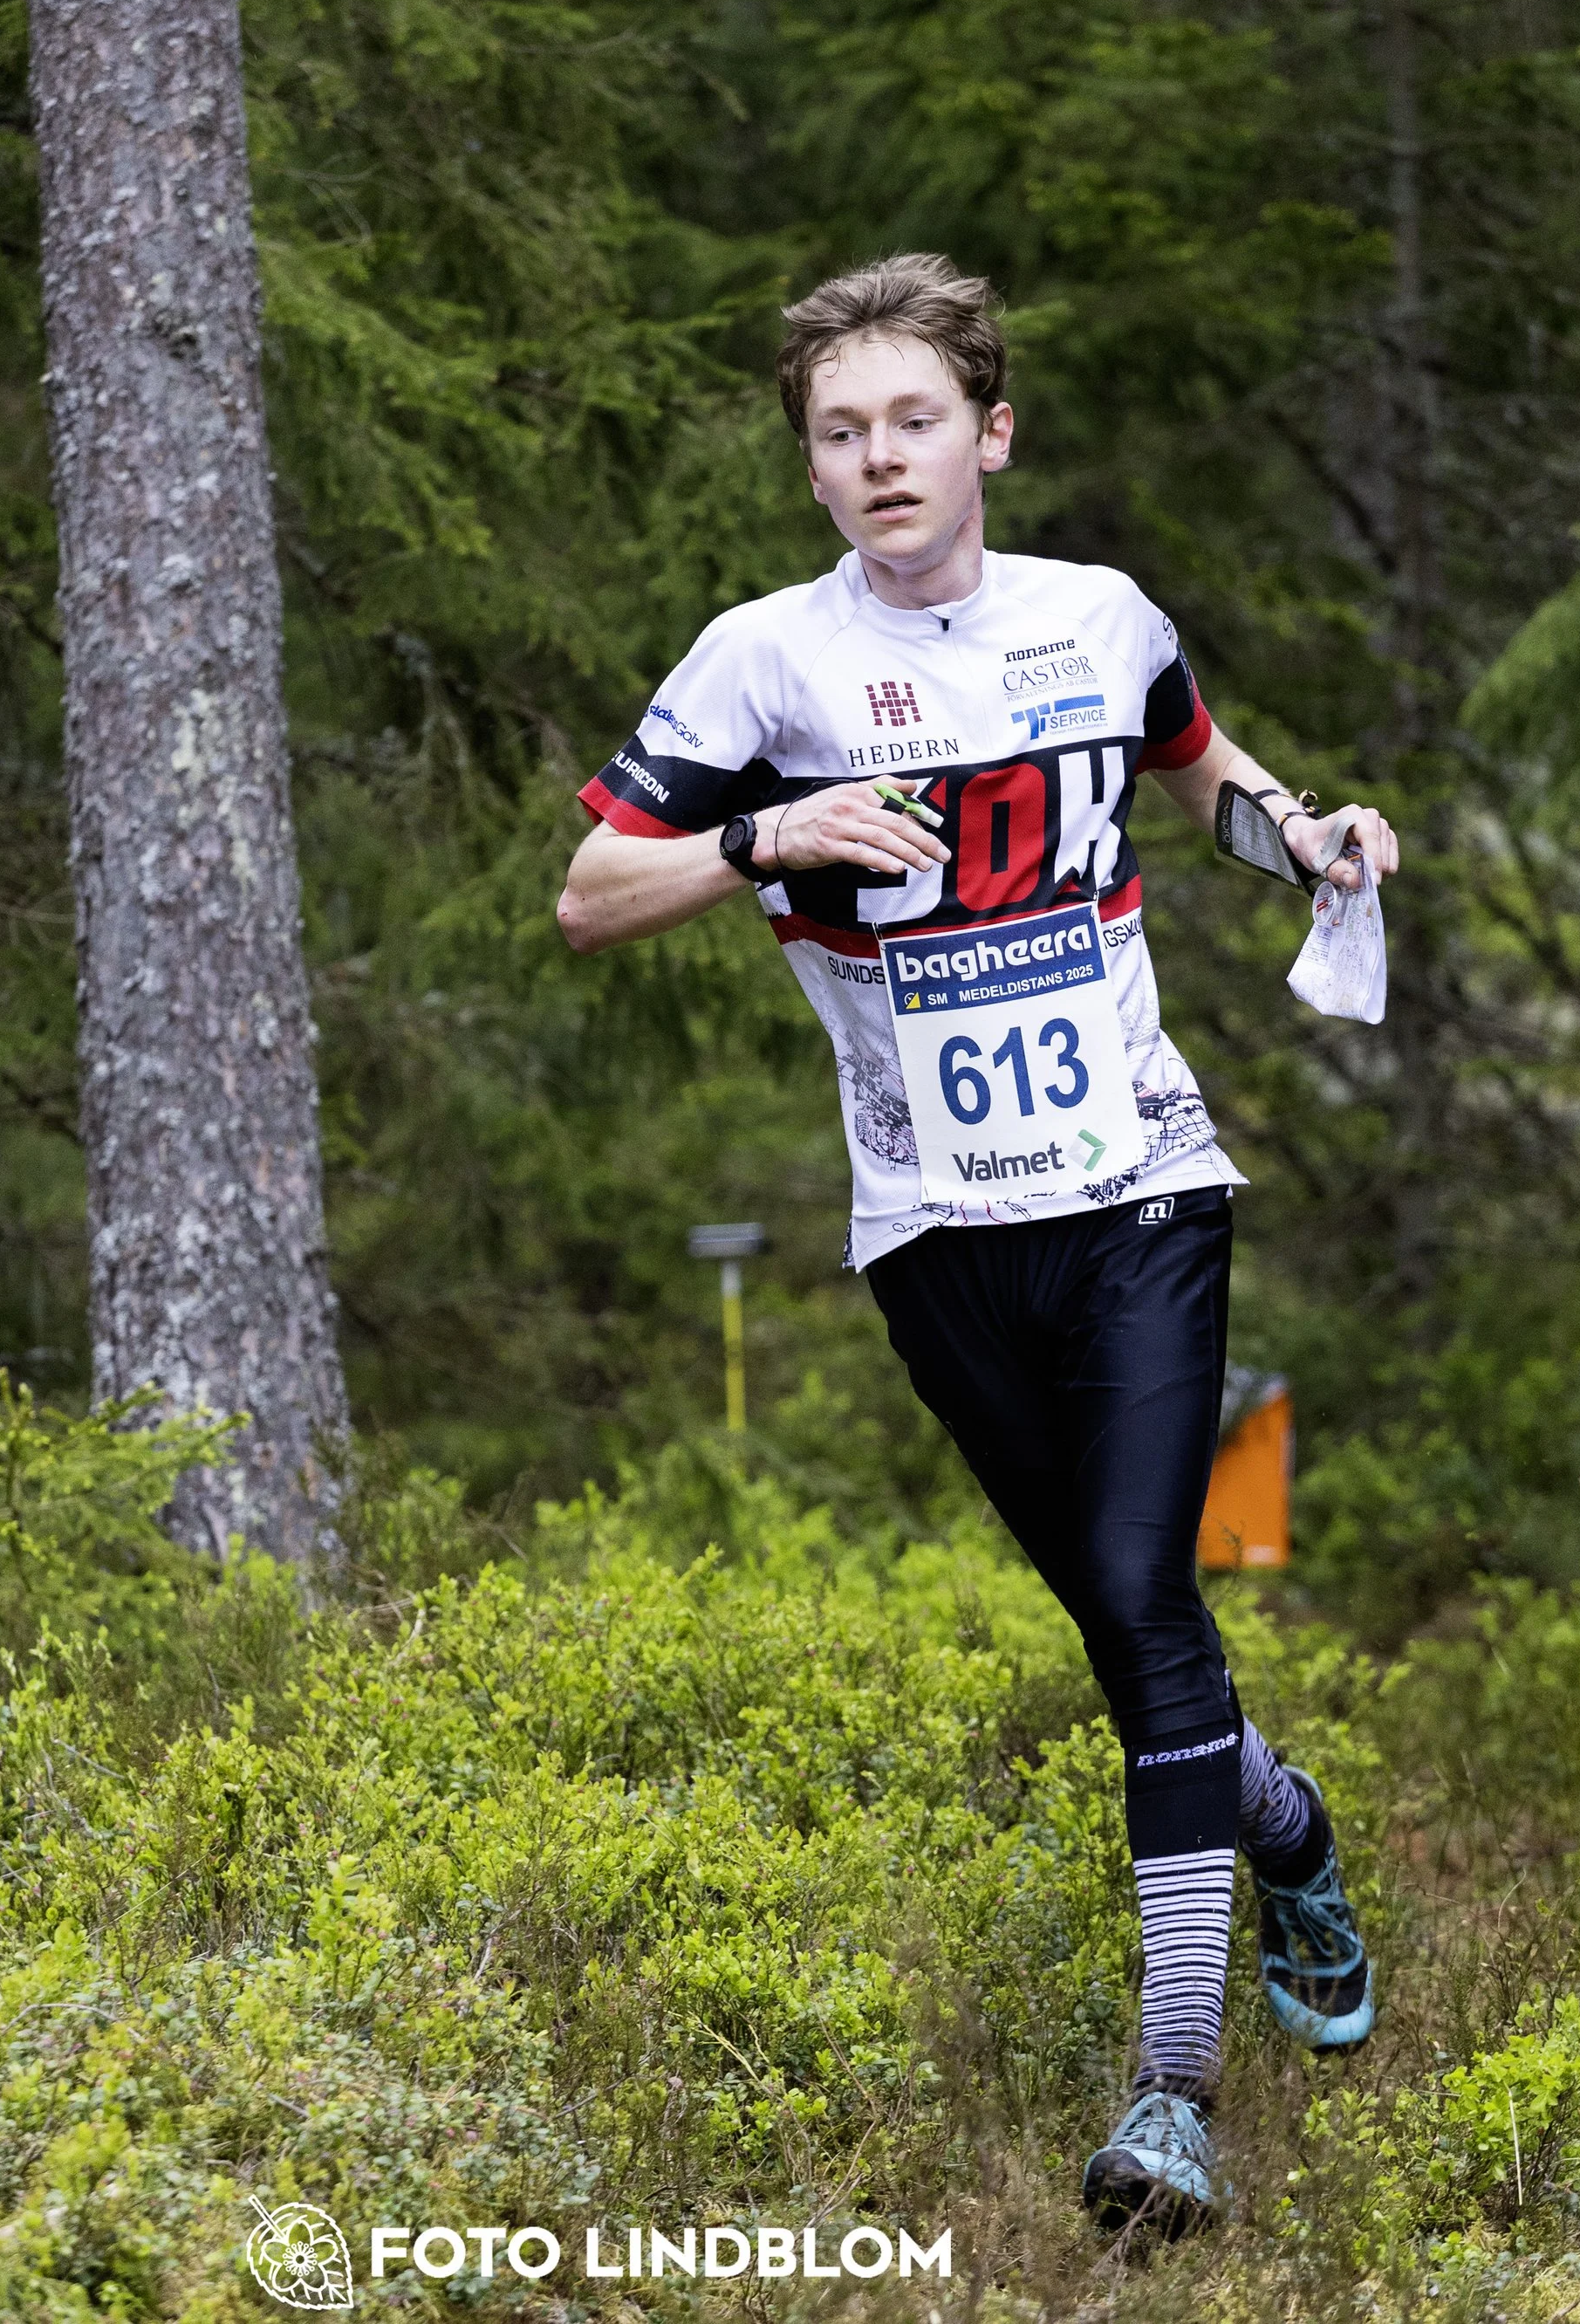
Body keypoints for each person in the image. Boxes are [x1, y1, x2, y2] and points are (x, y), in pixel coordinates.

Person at [556, 253, 1392, 2230]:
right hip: (930, 1219)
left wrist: (1315, 827)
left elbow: (1201, 776)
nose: (875, 460)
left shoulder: (1096, 622)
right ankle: (1279, 1822)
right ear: (811, 464)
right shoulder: (761, 662)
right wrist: (770, 836)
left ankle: (1169, 2091)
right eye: (838, 433)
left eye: (910, 420)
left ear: (988, 432)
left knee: (1136, 1572)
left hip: (1135, 1183)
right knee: (1124, 1626)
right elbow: (592, 891)